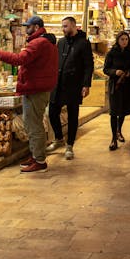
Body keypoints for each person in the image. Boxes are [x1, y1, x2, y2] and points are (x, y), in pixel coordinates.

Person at [0, 16, 58, 173]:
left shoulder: (38, 43)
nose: (26, 29)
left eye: (29, 26)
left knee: (34, 125)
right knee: (31, 124)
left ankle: (40, 161)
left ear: (36, 26)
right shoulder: (44, 42)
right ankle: (35, 155)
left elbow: (19, 59)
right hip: (36, 87)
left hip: (35, 89)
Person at [47, 16, 93, 160]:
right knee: (52, 112)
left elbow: (88, 65)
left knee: (73, 116)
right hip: (58, 84)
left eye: (66, 26)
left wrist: (86, 84)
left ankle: (70, 145)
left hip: (74, 85)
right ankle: (59, 138)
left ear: (74, 26)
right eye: (63, 26)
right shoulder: (61, 42)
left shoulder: (83, 43)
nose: (63, 29)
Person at [103, 31, 130, 150]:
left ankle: (119, 131)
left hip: (126, 86)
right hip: (115, 86)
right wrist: (115, 72)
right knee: (114, 112)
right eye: (122, 39)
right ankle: (113, 138)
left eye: (126, 39)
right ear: (118, 40)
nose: (124, 42)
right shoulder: (112, 53)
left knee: (122, 111)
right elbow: (105, 69)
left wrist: (129, 73)